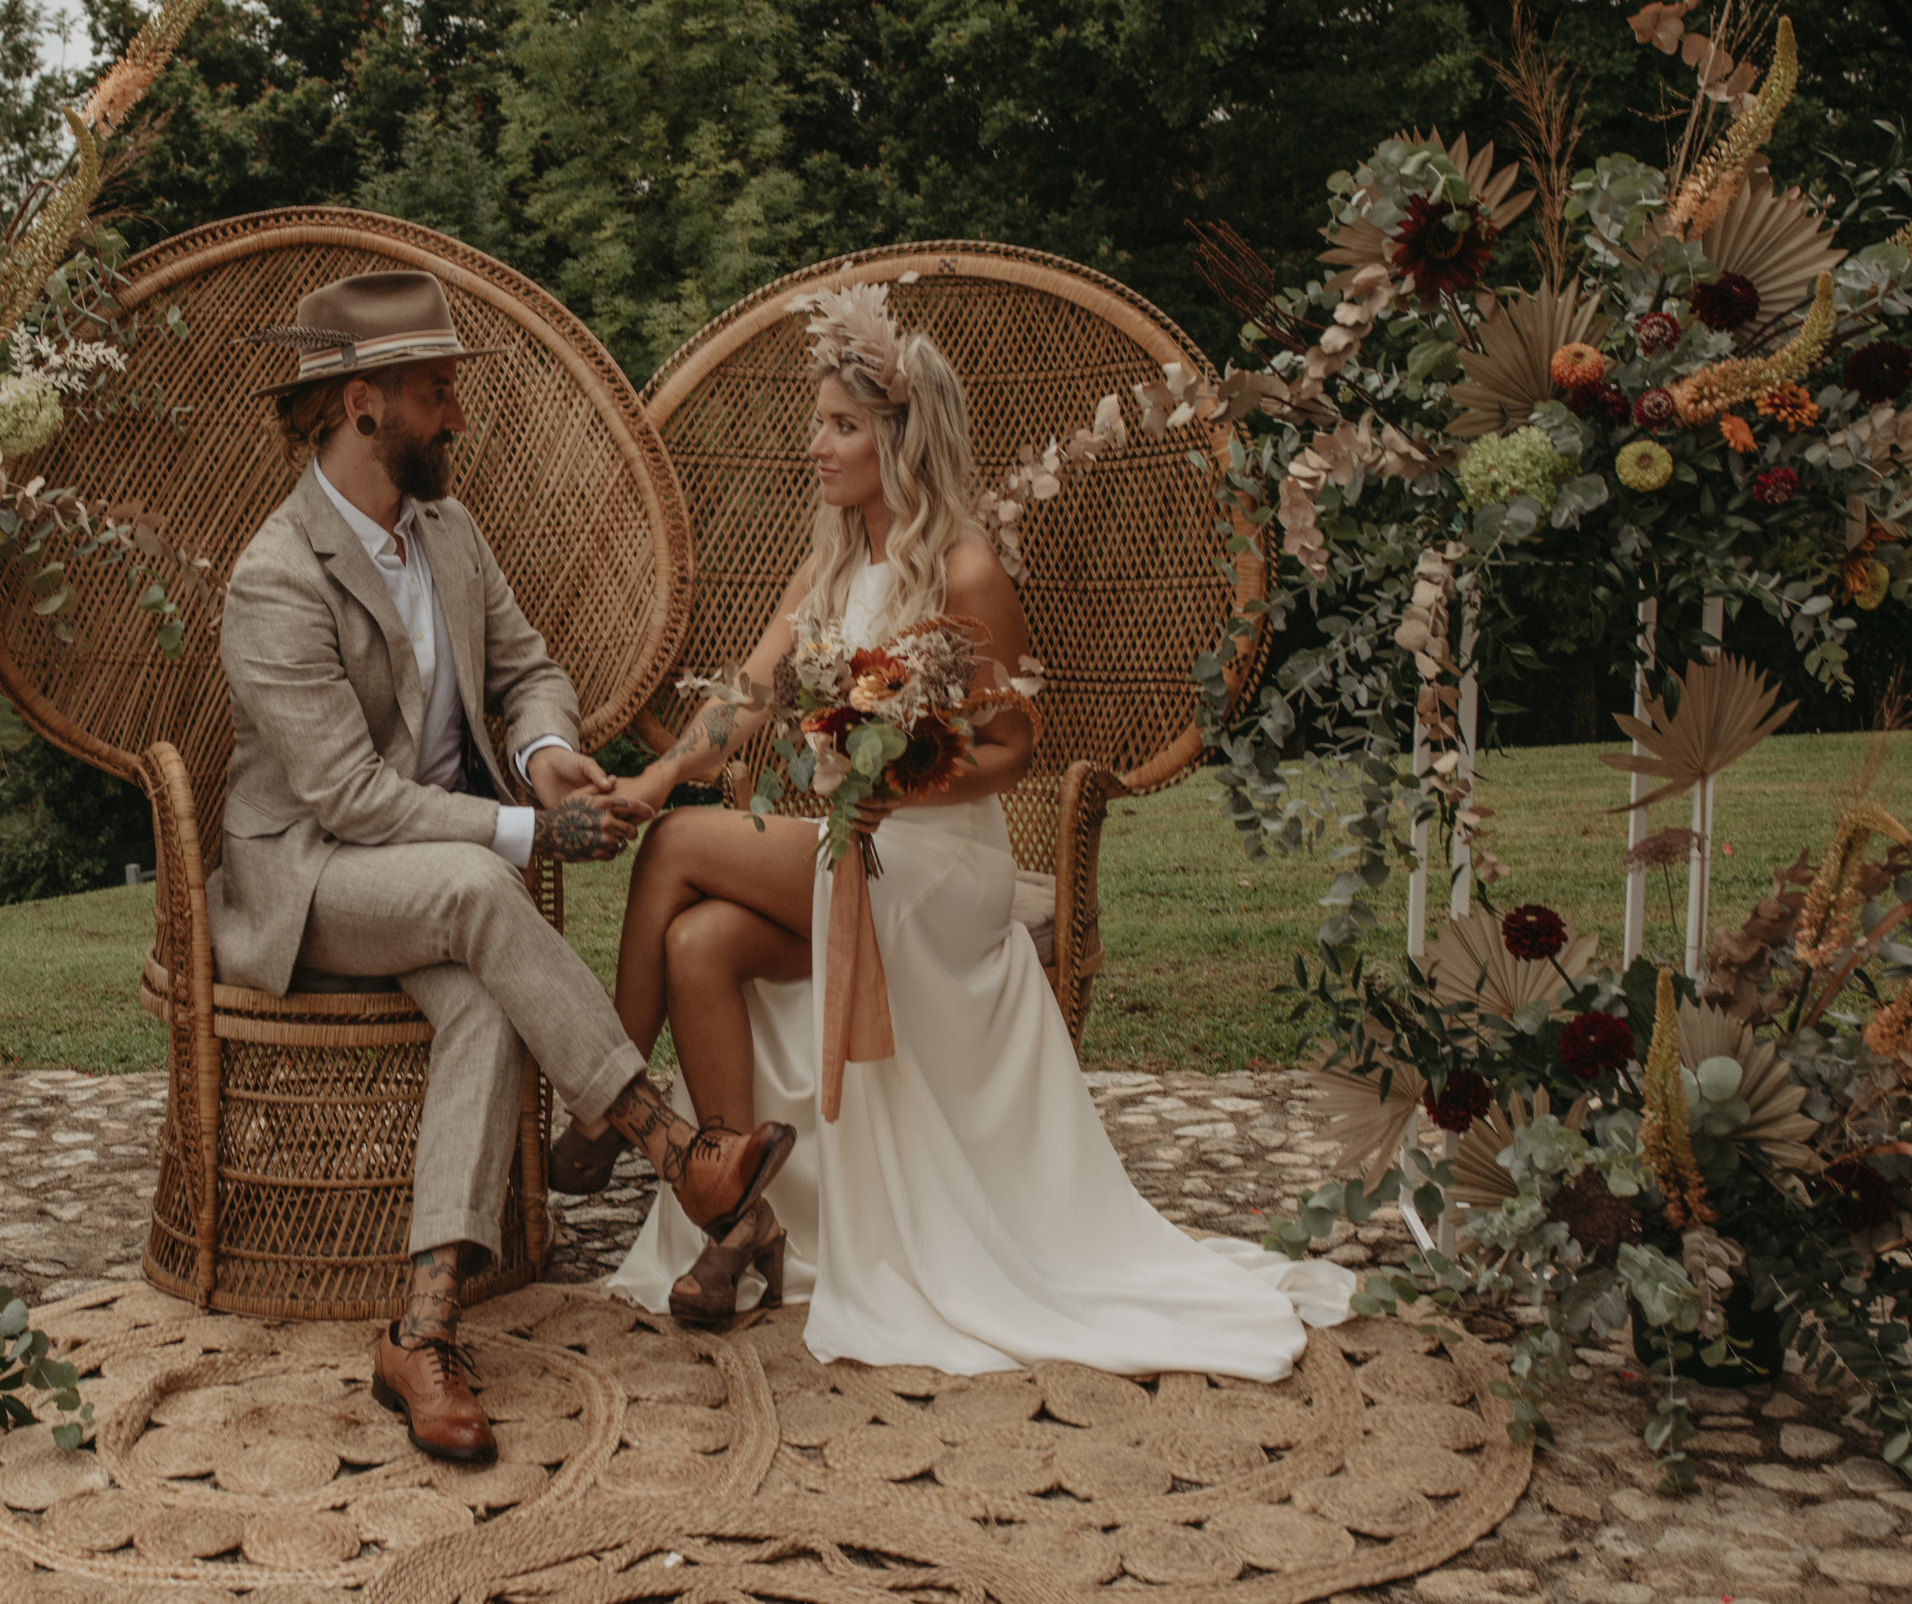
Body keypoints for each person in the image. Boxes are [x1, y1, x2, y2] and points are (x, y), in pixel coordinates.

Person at [566, 282, 1352, 1376]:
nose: (816, 445)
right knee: (698, 941)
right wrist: (659, 772)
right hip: (857, 846)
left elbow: (1013, 746)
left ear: (901, 435)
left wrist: (899, 779)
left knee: (675, 847)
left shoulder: (966, 566)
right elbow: (742, 703)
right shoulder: (829, 566)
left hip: (936, 862)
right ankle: (735, 1221)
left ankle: (608, 1103)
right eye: (818, 422)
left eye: (840, 425)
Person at [213, 271, 798, 1458]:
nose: (458, 417)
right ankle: (671, 1150)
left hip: (437, 880)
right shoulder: (274, 576)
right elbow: (347, 798)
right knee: (485, 890)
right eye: (437, 393)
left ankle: (419, 1327)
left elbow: (526, 668)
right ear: (363, 403)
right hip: (315, 879)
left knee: (484, 993)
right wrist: (537, 835)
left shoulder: (452, 534)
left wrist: (539, 756)